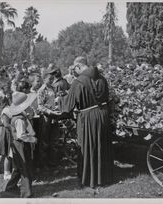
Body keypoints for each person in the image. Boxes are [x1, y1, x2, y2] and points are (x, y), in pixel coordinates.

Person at [61, 56, 114, 188]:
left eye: (74, 68)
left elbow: (68, 107)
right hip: (103, 114)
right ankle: (104, 177)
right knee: (102, 146)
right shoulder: (102, 78)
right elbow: (107, 97)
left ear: (79, 66)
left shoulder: (78, 82)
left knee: (87, 147)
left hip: (88, 117)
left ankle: (90, 178)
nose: (74, 71)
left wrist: (60, 100)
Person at [4, 91, 37, 198]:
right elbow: (21, 135)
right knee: (25, 168)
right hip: (20, 144)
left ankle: (11, 187)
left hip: (19, 144)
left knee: (18, 167)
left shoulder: (20, 115)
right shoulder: (19, 120)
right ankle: (26, 193)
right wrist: (32, 139)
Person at [37, 69, 62, 168]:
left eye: (52, 79)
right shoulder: (42, 90)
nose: (51, 80)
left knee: (54, 140)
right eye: (49, 79)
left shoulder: (53, 88)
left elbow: (54, 101)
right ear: (44, 79)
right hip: (46, 118)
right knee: (44, 142)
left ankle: (53, 162)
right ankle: (43, 164)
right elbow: (40, 106)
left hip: (54, 117)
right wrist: (50, 112)